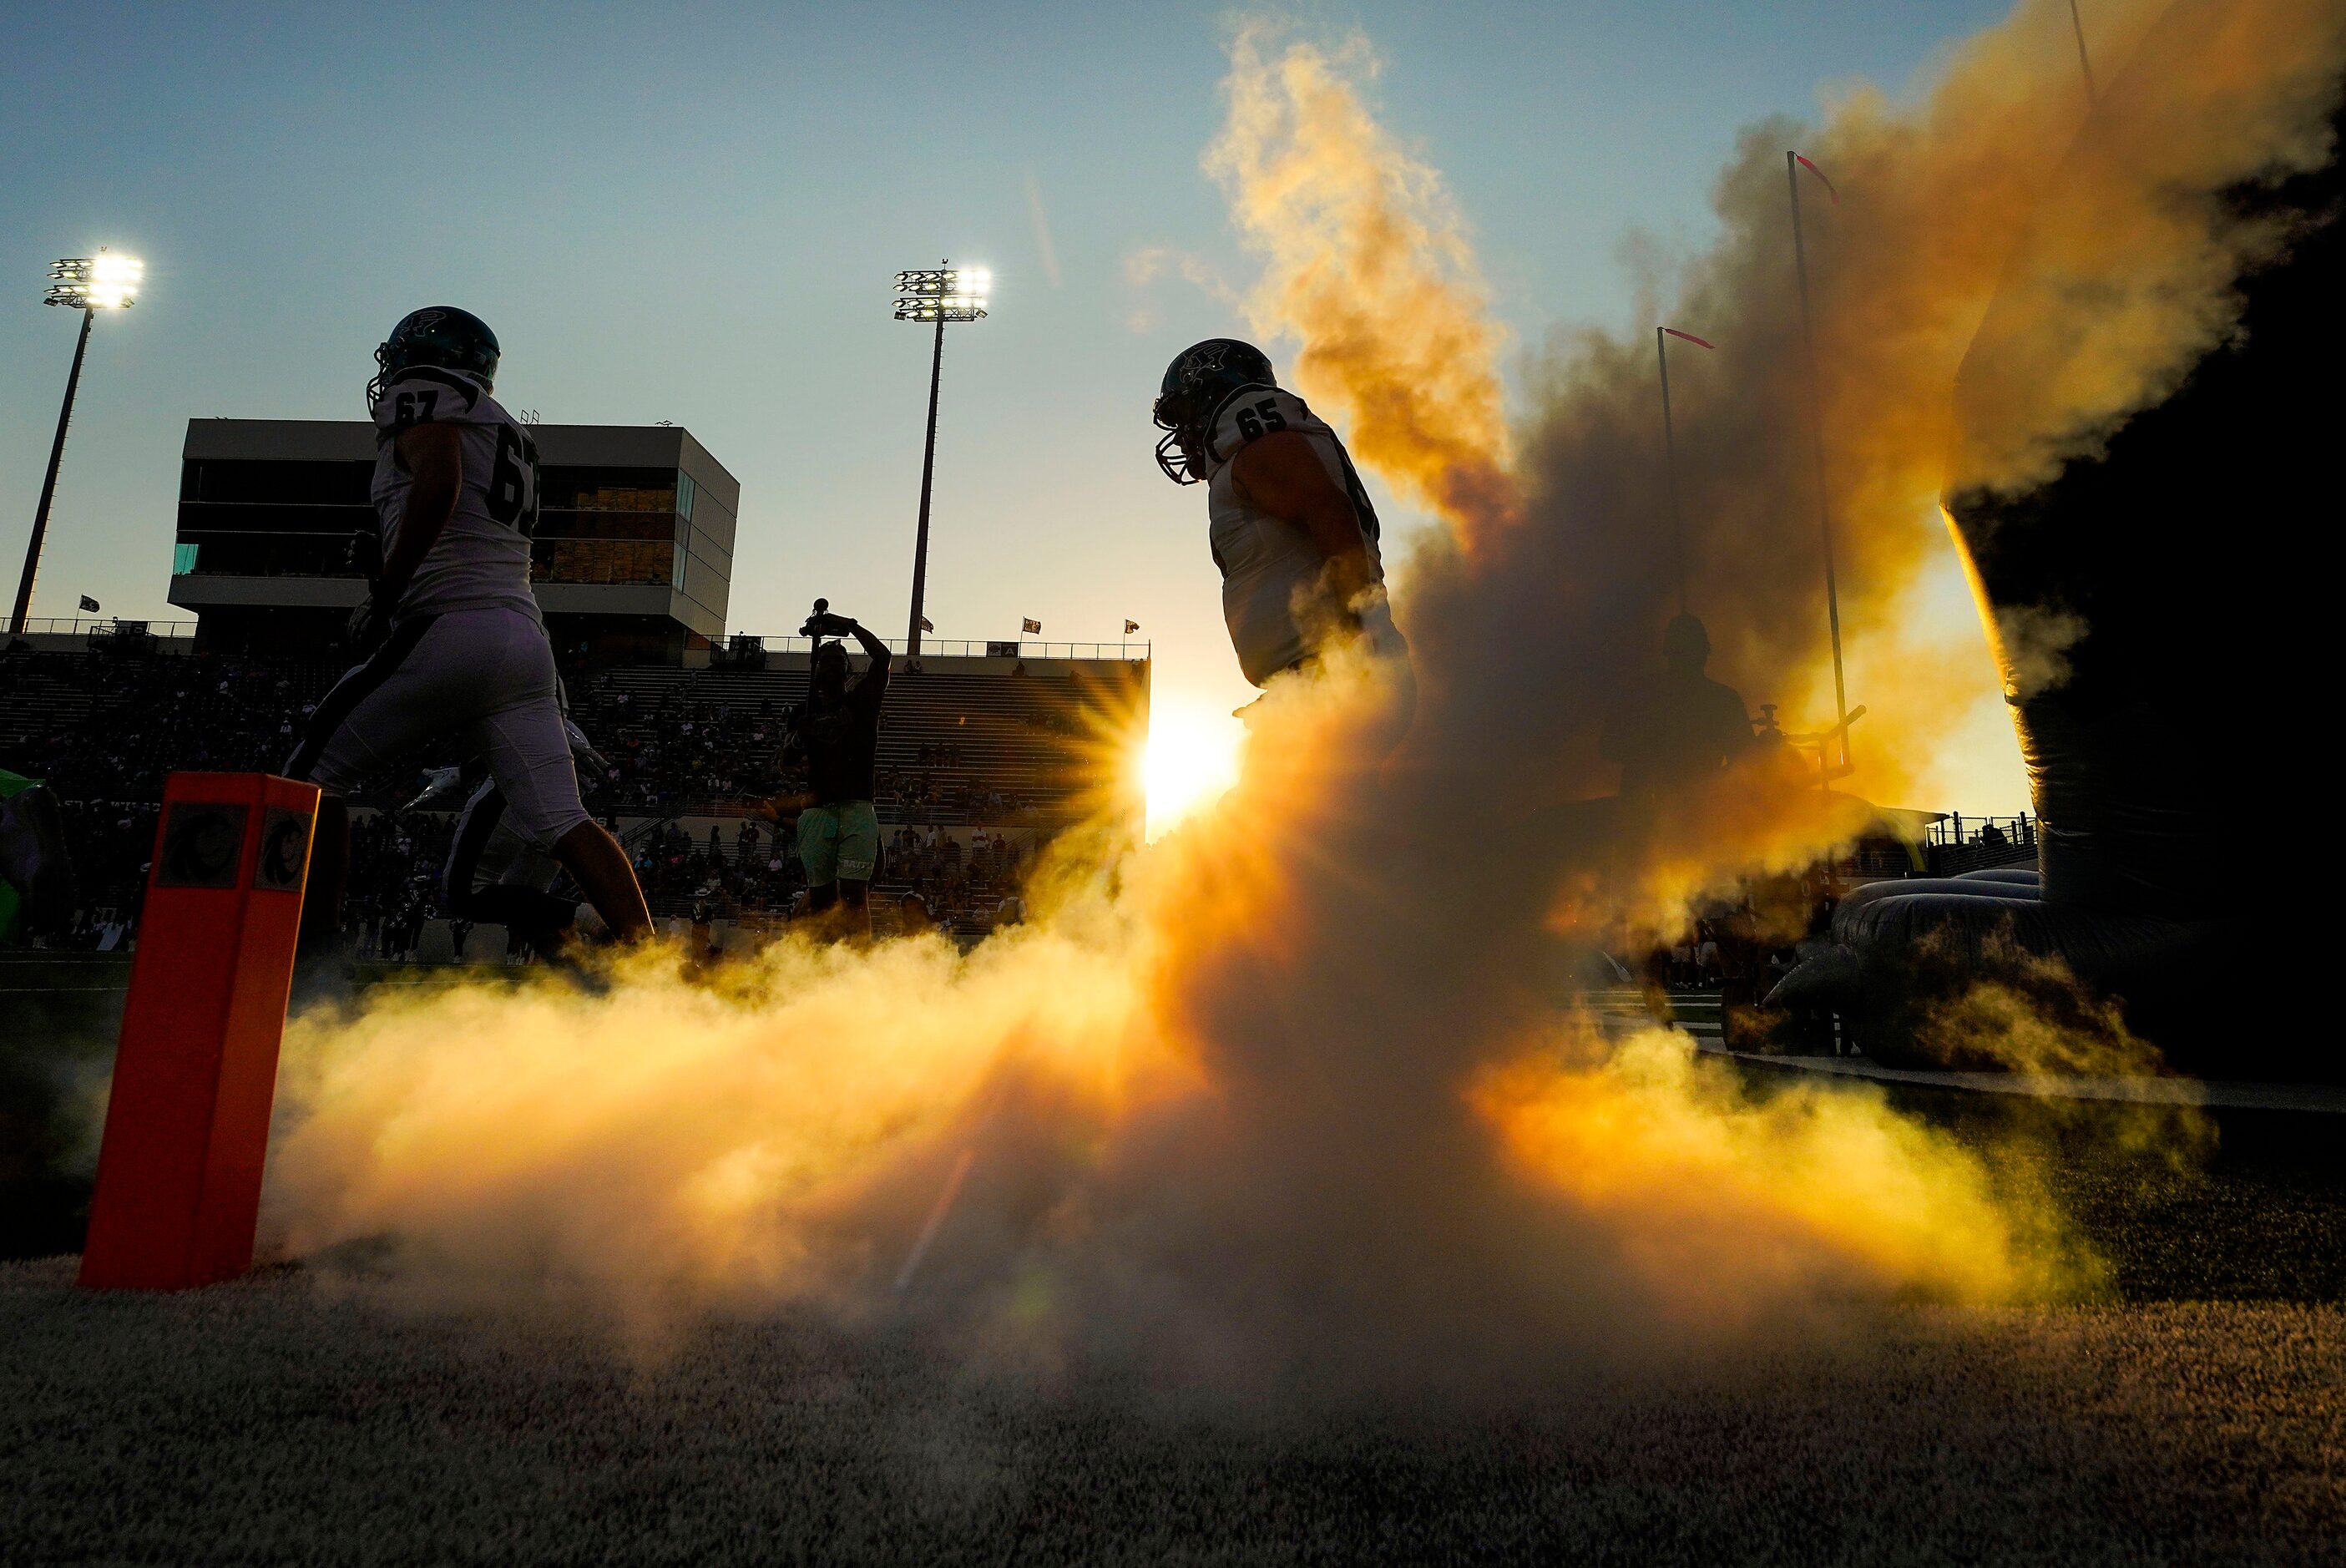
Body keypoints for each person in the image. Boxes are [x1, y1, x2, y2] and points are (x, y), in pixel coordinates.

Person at [283, 307, 651, 969]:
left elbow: (441, 482)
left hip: (454, 624)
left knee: (311, 781)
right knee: (563, 819)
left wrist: (387, 590)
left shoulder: (422, 393)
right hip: (524, 638)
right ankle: (653, 966)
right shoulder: (505, 426)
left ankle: (314, 954)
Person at [1150, 338, 1408, 698]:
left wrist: (1356, 633)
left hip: (1334, 671)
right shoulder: (1250, 448)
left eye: (1184, 414)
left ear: (1213, 392)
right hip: (1321, 673)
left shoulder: (1256, 435)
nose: (1180, 438)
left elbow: (1328, 509)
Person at [779, 605, 891, 938]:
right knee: (821, 900)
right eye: (825, 661)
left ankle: (857, 960)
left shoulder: (862, 701)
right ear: (815, 670)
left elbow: (883, 658)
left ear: (846, 671)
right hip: (818, 810)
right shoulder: (802, 713)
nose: (831, 665)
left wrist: (850, 626)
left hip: (856, 805)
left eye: (838, 662)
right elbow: (786, 760)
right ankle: (824, 966)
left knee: (856, 896)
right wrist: (799, 740)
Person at [1600, 614, 1752, 804]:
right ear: (1706, 651)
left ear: (1666, 650)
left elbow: (1608, 747)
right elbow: (1746, 761)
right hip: (1667, 811)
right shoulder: (1723, 700)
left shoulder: (1639, 693)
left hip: (1669, 811)